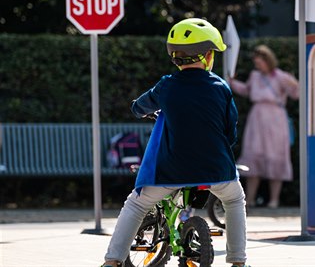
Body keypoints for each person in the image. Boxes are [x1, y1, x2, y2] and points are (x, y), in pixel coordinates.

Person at [100, 18, 249, 267]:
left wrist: (142, 110)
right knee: (234, 201)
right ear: (206, 56)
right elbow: (230, 132)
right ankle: (238, 262)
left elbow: (138, 107)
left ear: (175, 57)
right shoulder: (220, 87)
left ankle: (112, 262)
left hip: (171, 171)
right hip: (216, 169)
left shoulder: (167, 86)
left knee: (135, 206)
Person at [229, 45, 299, 208]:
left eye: (260, 62)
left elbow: (296, 93)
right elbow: (247, 90)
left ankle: (274, 200)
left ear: (268, 61)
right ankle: (250, 199)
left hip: (275, 119)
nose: (257, 66)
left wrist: (294, 81)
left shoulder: (280, 76)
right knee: (254, 154)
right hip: (257, 119)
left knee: (276, 156)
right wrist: (231, 82)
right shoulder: (254, 76)